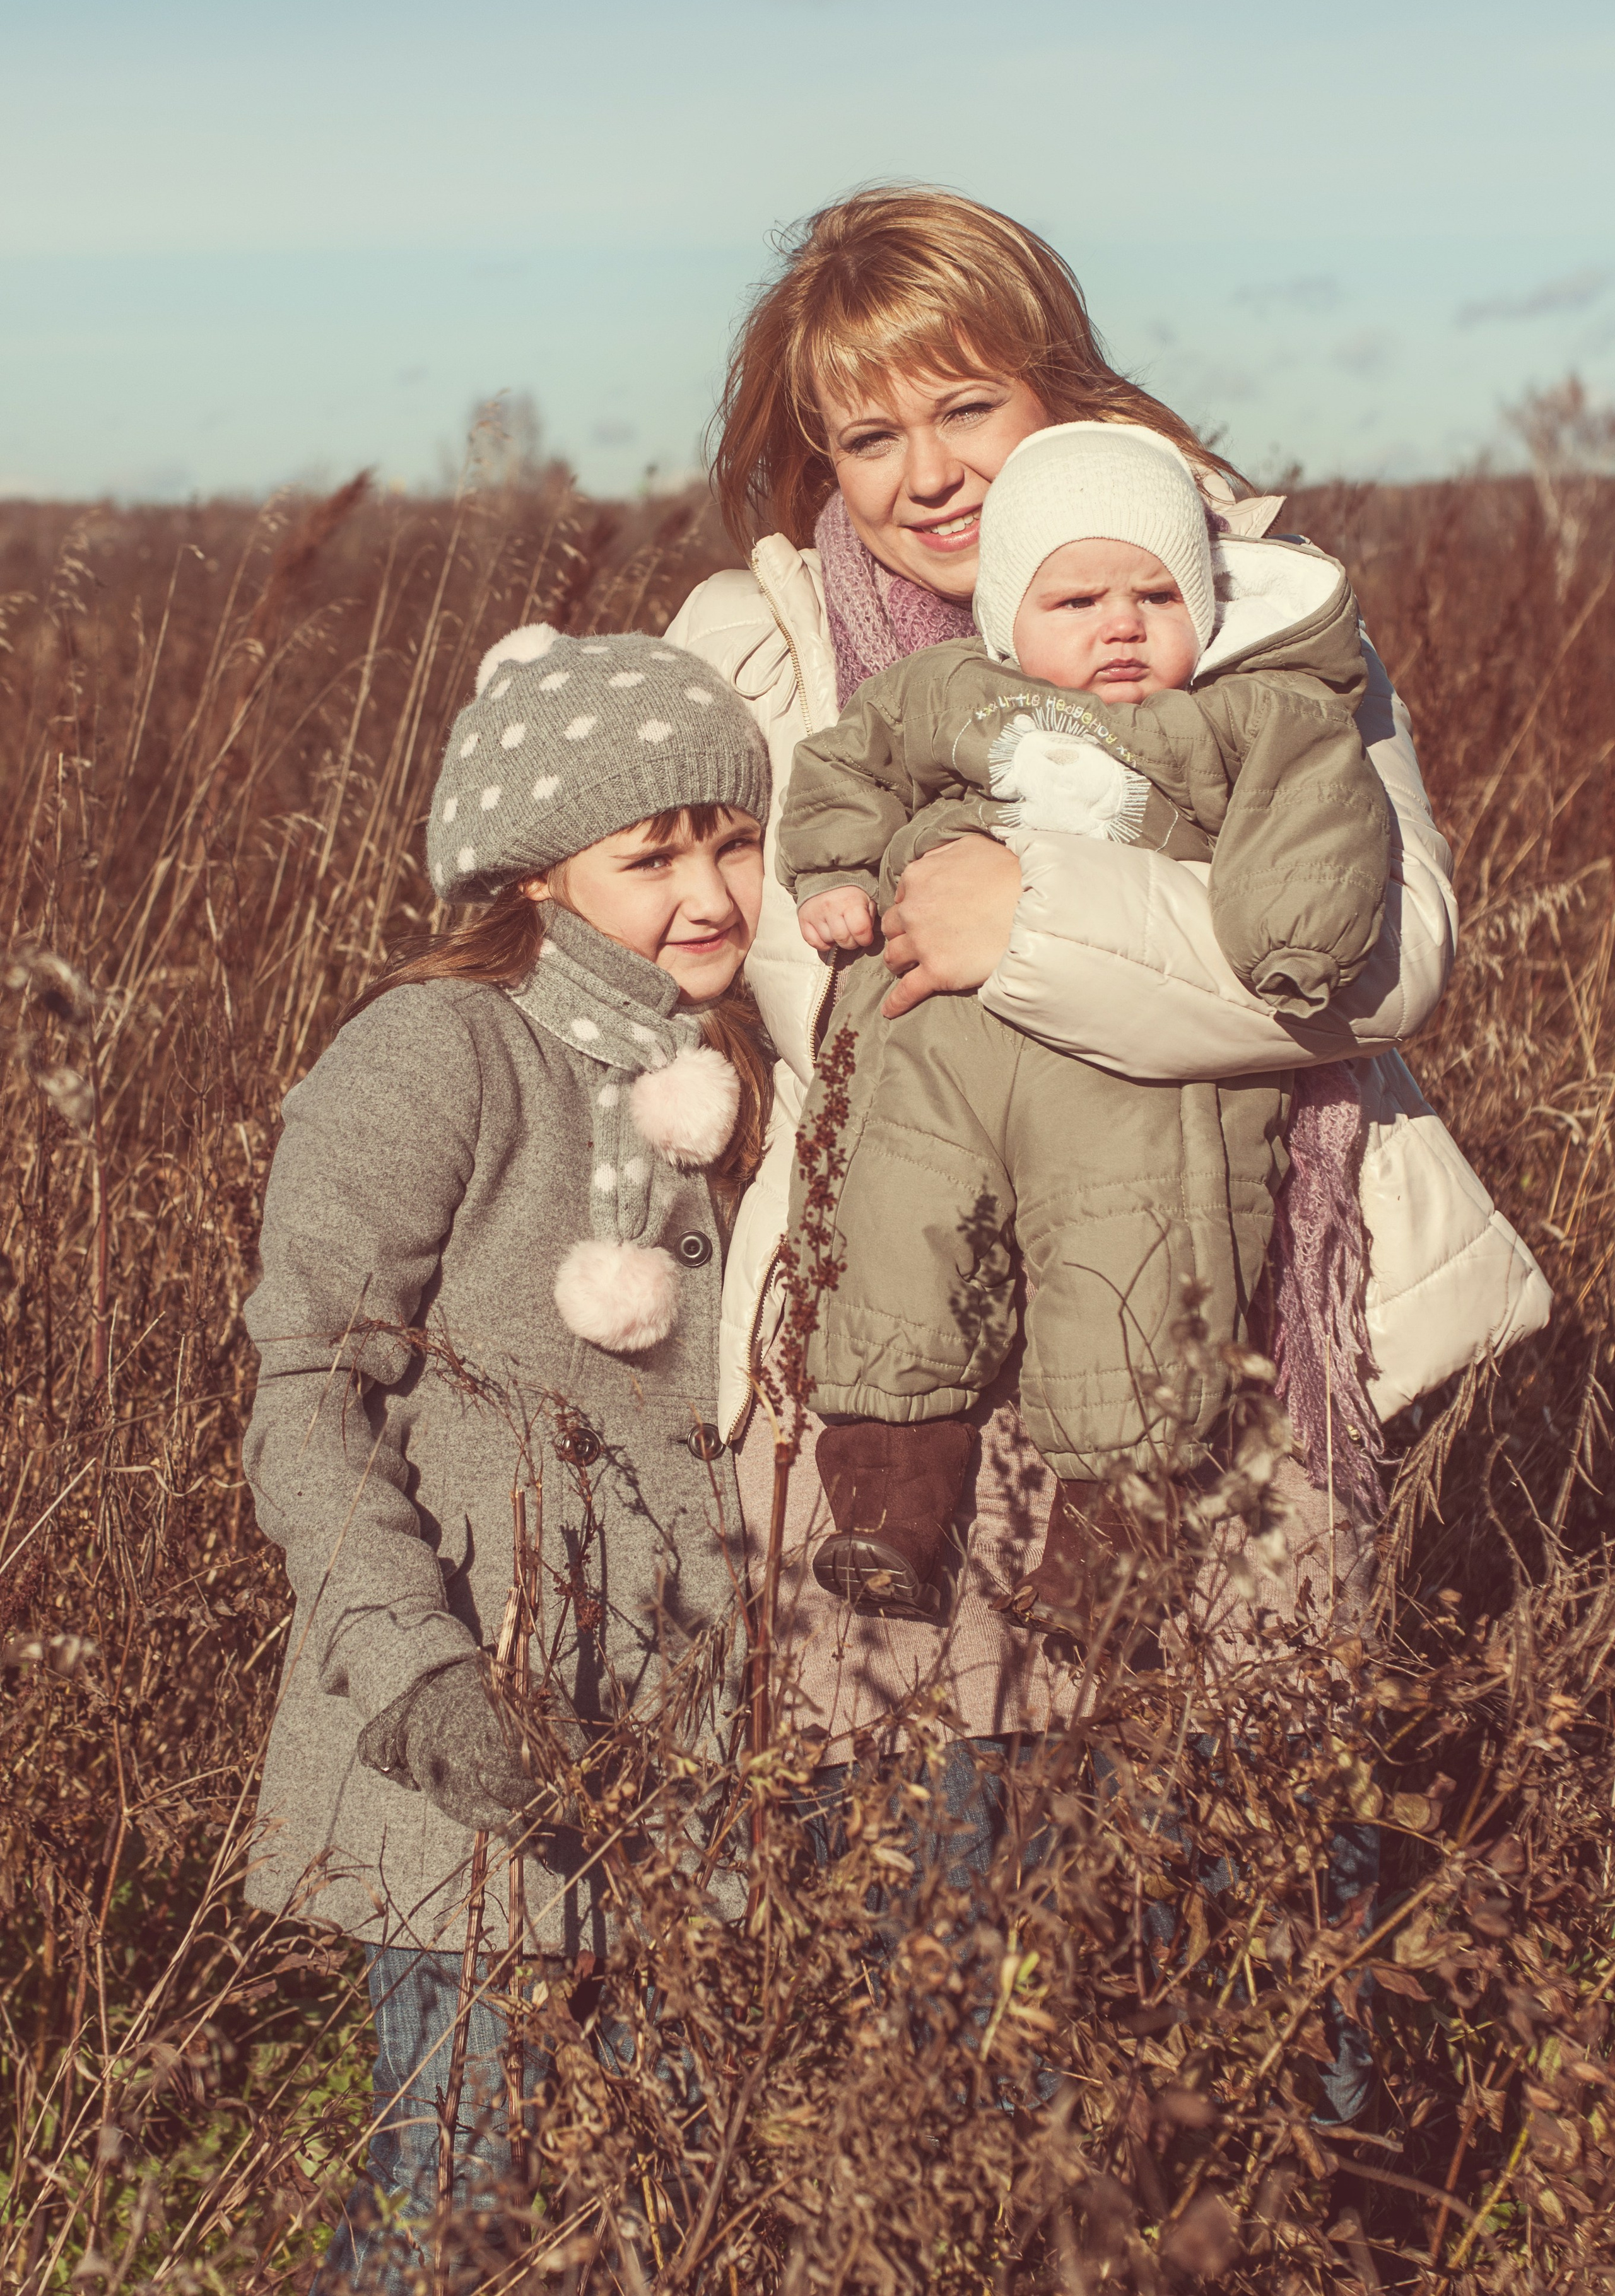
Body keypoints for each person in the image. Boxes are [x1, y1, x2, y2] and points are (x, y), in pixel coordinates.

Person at [241, 630, 774, 2287]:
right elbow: (307, 1387)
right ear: (537, 874)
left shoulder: (739, 1067)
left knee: (677, 2206)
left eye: (733, 841)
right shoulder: (442, 1050)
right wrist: (418, 1668)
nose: (709, 893)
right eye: (651, 856)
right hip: (483, 1724)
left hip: (700, 1750)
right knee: (456, 2202)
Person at [775, 418, 1390, 1625]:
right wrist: (833, 872)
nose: (1120, 625)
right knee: (895, 1245)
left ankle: (1106, 1568)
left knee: (1137, 1275)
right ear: (1008, 616)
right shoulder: (946, 693)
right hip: (933, 1051)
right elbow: (847, 766)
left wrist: (1293, 940)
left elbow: (1315, 815)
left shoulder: (1245, 715)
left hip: (1126, 1079)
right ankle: (892, 1509)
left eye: (1156, 596)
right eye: (1075, 601)